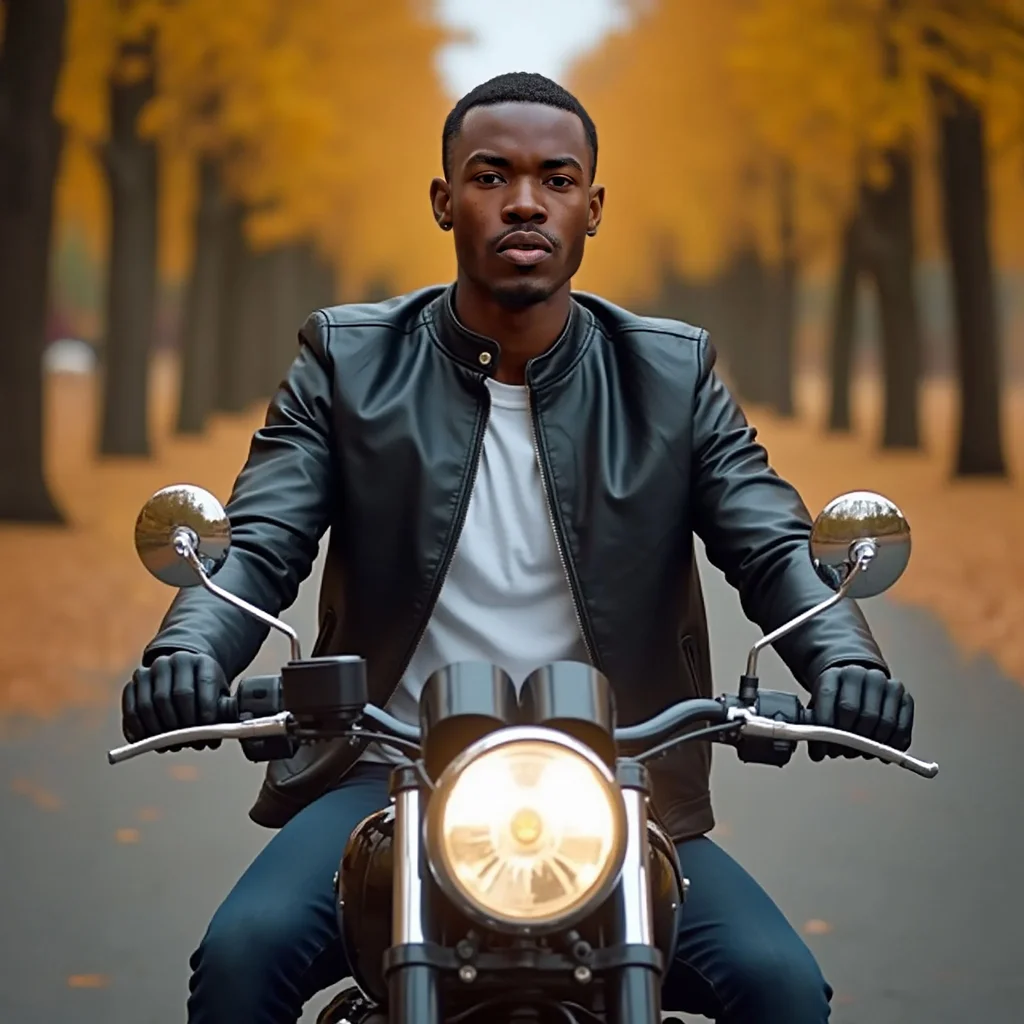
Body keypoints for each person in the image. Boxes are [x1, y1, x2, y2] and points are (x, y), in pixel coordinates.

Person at [122, 72, 914, 1024]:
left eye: (557, 178)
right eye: (492, 177)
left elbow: (770, 540)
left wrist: (843, 658)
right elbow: (256, 541)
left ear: (594, 205)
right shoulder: (348, 360)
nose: (526, 202)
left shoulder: (671, 374)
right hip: (388, 775)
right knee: (241, 960)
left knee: (784, 989)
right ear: (444, 199)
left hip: (619, 780)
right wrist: (192, 650)